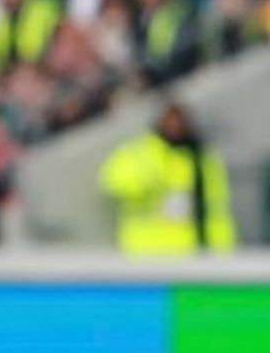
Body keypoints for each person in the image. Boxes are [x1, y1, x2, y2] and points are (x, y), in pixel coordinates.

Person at [100, 100, 236, 256]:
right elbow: (112, 182)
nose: (176, 126)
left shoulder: (202, 158)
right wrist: (149, 177)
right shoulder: (141, 152)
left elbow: (216, 208)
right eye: (170, 121)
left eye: (180, 121)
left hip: (194, 250)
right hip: (147, 252)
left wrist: (222, 249)